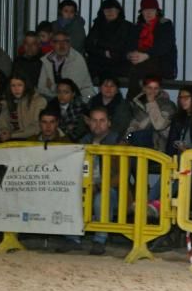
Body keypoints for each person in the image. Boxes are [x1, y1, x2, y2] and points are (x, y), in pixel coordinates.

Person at [57, 106, 122, 256]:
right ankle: (72, 239)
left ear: (109, 123)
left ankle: (100, 240)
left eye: (102, 120)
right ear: (88, 122)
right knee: (72, 195)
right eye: (94, 120)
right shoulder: (82, 141)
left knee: (102, 199)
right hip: (86, 186)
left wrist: (100, 186)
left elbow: (121, 176)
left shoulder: (119, 142)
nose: (98, 124)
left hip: (112, 189)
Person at [127, 0, 178, 96]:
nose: (149, 13)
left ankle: (137, 100)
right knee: (135, 70)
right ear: (141, 12)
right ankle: (138, 101)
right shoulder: (136, 28)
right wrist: (130, 55)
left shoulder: (165, 25)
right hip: (140, 65)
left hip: (161, 64)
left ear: (157, 11)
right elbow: (129, 45)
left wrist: (146, 55)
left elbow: (164, 46)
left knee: (138, 72)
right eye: (146, 10)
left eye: (152, 10)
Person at [84, 0, 138, 83]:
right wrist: (104, 52)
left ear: (118, 11)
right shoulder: (97, 25)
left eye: (113, 10)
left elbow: (130, 46)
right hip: (99, 61)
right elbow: (88, 45)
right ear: (102, 12)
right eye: (106, 10)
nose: (110, 13)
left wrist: (101, 45)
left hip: (120, 62)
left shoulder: (128, 26)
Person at [37, 30, 94, 101]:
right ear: (52, 44)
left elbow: (70, 89)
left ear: (70, 44)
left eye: (65, 41)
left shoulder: (77, 59)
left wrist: (52, 86)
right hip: (55, 98)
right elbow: (41, 87)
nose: (62, 45)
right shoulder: (46, 59)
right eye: (57, 41)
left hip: (80, 98)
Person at [126, 76, 176, 151]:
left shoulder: (168, 105)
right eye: (149, 88)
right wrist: (126, 138)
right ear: (144, 88)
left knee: (140, 135)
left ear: (160, 89)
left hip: (160, 145)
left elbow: (159, 125)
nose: (152, 91)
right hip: (137, 144)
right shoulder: (137, 105)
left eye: (156, 88)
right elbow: (132, 127)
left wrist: (151, 103)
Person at [0, 75, 47, 141]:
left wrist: (12, 135)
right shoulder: (7, 101)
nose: (16, 89)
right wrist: (3, 132)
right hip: (10, 140)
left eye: (20, 85)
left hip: (33, 139)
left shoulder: (38, 101)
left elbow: (37, 127)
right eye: (13, 86)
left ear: (26, 86)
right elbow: (2, 124)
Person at [165, 86, 192, 157]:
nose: (182, 101)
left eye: (186, 97)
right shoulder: (177, 118)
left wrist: (186, 149)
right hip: (179, 157)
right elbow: (171, 143)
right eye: (180, 98)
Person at [46, 78, 89, 143]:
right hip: (53, 141)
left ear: (73, 94)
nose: (62, 95)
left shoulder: (81, 107)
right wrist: (67, 128)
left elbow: (79, 132)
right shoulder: (51, 105)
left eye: (66, 92)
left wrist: (60, 128)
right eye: (59, 92)